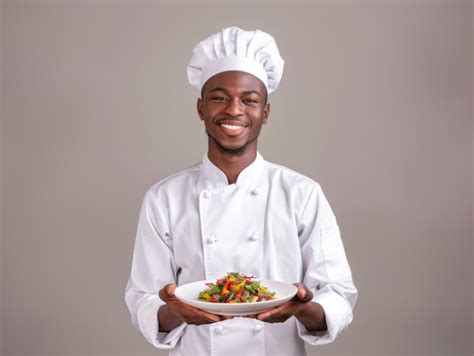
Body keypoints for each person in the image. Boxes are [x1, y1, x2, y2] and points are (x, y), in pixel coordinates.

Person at [125, 26, 357, 356]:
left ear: (265, 113)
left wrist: (301, 309)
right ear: (201, 109)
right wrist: (174, 310)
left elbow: (337, 294)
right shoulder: (164, 198)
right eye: (219, 97)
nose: (234, 110)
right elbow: (144, 298)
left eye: (249, 100)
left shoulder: (301, 193)